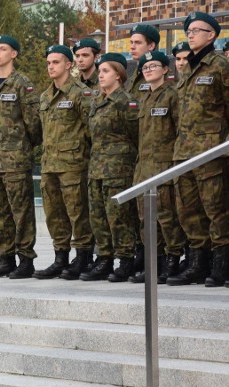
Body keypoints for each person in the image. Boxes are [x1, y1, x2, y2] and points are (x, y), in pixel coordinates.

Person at [167, 12, 229, 287]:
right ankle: (197, 263)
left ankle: (221, 265)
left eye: (196, 30)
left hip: (211, 151)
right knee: (188, 211)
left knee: (216, 210)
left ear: (211, 35)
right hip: (184, 152)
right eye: (188, 30)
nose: (189, 34)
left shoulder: (219, 66)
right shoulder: (187, 68)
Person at [0, 35, 42, 279]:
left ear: (14, 54)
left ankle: (26, 259)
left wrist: (23, 147)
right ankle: (5, 258)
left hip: (16, 159)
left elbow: (34, 125)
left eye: (3, 49)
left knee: (22, 211)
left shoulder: (22, 84)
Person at [34, 45, 94, 280]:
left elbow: (91, 130)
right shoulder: (45, 96)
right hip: (49, 165)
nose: (51, 67)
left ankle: (83, 257)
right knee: (54, 214)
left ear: (69, 65)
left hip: (73, 164)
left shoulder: (80, 93)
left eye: (56, 62)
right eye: (49, 63)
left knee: (77, 213)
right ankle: (61, 257)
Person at [80, 53, 140, 282]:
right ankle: (104, 259)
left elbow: (136, 135)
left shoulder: (126, 101)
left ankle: (125, 259)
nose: (101, 75)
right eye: (100, 71)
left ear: (118, 74)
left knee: (119, 217)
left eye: (105, 71)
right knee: (98, 217)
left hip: (118, 169)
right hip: (96, 168)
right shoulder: (97, 100)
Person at [130, 51, 186, 284]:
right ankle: (156, 262)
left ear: (166, 69)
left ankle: (172, 260)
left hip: (164, 167)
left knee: (166, 217)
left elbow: (180, 131)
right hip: (143, 168)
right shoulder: (144, 99)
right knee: (146, 219)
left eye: (154, 66)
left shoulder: (172, 96)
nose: (149, 70)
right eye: (145, 67)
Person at [125, 24, 160, 102]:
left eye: (137, 43)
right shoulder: (136, 72)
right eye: (131, 42)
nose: (132, 47)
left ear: (151, 46)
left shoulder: (160, 73)